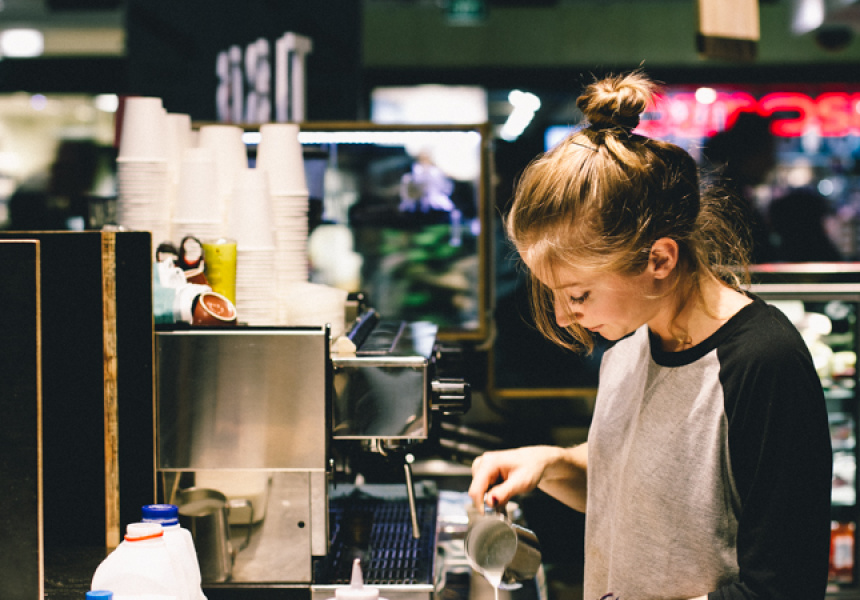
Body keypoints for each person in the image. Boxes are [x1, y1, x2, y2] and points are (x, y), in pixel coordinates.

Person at [468, 71, 832, 600]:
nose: (565, 317)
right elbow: (642, 495)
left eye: (578, 294)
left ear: (659, 259)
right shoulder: (629, 348)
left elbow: (784, 588)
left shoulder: (763, 362)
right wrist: (551, 464)